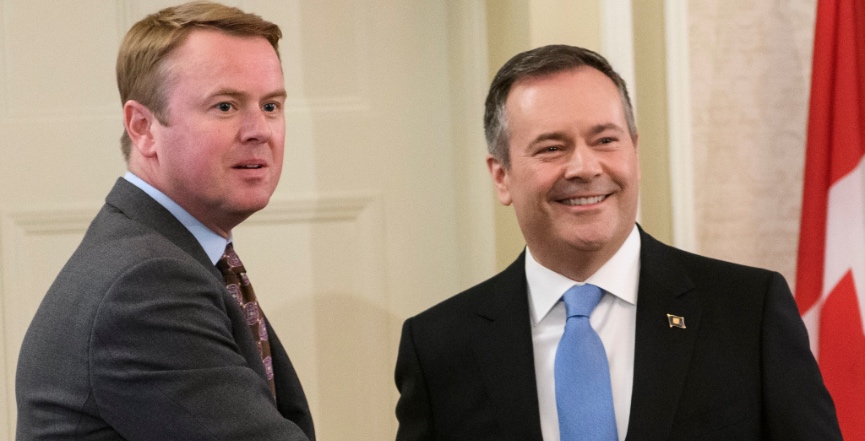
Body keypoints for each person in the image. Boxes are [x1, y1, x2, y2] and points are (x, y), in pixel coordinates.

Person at [394, 45, 842, 441]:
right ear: (501, 176)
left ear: (634, 151)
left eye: (605, 140)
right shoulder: (438, 345)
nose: (585, 167)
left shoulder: (747, 311)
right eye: (551, 147)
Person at [15, 2, 314, 440]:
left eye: (271, 105)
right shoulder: (147, 287)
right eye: (226, 106)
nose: (260, 130)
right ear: (143, 127)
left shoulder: (162, 255)